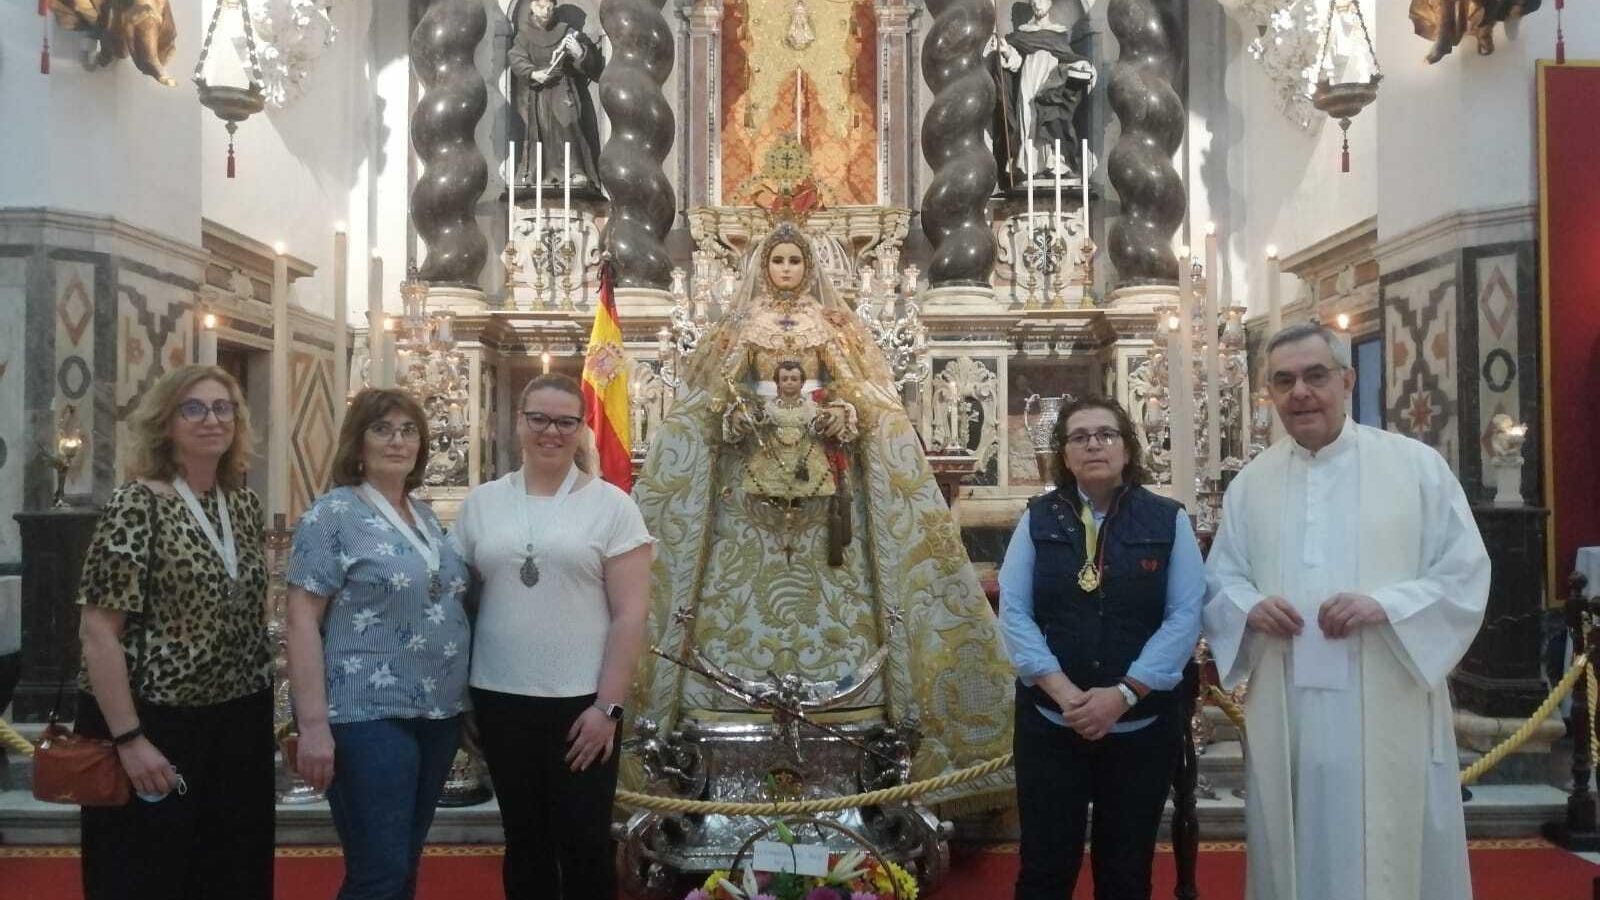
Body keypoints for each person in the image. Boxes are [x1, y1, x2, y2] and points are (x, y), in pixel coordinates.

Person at [629, 215, 1014, 804]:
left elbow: (870, 397)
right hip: (747, 503)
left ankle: (862, 713)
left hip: (827, 501)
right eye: (778, 260)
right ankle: (716, 708)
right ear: (762, 265)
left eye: (796, 261)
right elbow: (705, 403)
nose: (786, 270)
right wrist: (731, 419)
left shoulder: (836, 325)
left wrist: (848, 416)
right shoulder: (735, 329)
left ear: (810, 268)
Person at [1203, 323, 1490, 900]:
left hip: (1385, 690)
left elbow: (1465, 572)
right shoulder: (1251, 485)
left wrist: (1384, 604)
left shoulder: (1415, 468)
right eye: (1283, 381)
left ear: (1347, 380)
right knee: (1296, 841)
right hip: (1287, 701)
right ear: (1270, 394)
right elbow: (1222, 580)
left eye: (1315, 376)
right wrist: (1250, 606)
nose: (1300, 392)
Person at [74, 364, 273, 899]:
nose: (211, 419)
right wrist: (130, 739)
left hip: (237, 719)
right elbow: (98, 631)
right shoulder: (137, 503)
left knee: (232, 871)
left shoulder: (243, 504)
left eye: (222, 408)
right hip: (157, 720)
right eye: (194, 408)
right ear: (167, 422)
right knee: (148, 874)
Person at [453, 373, 654, 900]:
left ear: (582, 429)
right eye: (538, 418)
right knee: (525, 843)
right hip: (501, 697)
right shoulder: (482, 504)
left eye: (566, 421)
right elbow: (460, 603)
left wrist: (608, 708)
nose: (551, 432)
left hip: (583, 704)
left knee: (585, 844)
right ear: (518, 423)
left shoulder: (613, 506)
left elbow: (630, 614)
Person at [997, 396, 1204, 900]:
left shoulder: (1168, 519)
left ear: (1127, 449)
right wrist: (1064, 692)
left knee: (1126, 873)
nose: (1094, 444)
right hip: (1052, 724)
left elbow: (1185, 615)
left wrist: (1124, 694)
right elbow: (1015, 610)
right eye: (1079, 437)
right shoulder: (1038, 518)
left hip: (1140, 727)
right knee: (1044, 869)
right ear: (1064, 455)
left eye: (1106, 434)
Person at [285, 388, 472, 900]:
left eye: (409, 430)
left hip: (436, 713)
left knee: (405, 863)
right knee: (379, 870)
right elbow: (301, 620)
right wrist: (313, 726)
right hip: (365, 713)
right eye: (383, 429)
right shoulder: (333, 515)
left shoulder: (428, 519)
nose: (398, 441)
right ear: (358, 442)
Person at [985, 0, 1096, 188]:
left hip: (1051, 81)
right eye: (1034, 1)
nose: (1037, 4)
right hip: (1028, 80)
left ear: (1050, 4)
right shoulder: (1020, 35)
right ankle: (1030, 167)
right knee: (1028, 120)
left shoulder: (1059, 33)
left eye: (1042, 0)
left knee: (1050, 117)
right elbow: (1016, 63)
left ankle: (1054, 161)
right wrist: (1006, 52)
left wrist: (1081, 66)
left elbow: (1068, 58)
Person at [731, 358, 857, 502]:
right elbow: (765, 419)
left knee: (804, 481)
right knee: (772, 478)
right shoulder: (771, 405)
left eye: (794, 379)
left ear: (802, 383)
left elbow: (811, 426)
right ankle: (774, 497)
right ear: (778, 383)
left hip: (803, 452)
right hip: (776, 450)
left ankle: (798, 499)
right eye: (784, 379)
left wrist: (819, 425)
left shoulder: (809, 406)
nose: (789, 382)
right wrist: (759, 416)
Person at [510, 0, 604, 189]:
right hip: (540, 93)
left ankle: (576, 171)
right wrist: (534, 73)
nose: (545, 12)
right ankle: (542, 174)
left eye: (549, 7)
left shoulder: (566, 32)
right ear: (532, 8)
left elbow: (592, 65)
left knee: (569, 125)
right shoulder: (524, 35)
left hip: (564, 89)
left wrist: (579, 53)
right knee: (544, 130)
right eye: (541, 6)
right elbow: (516, 57)